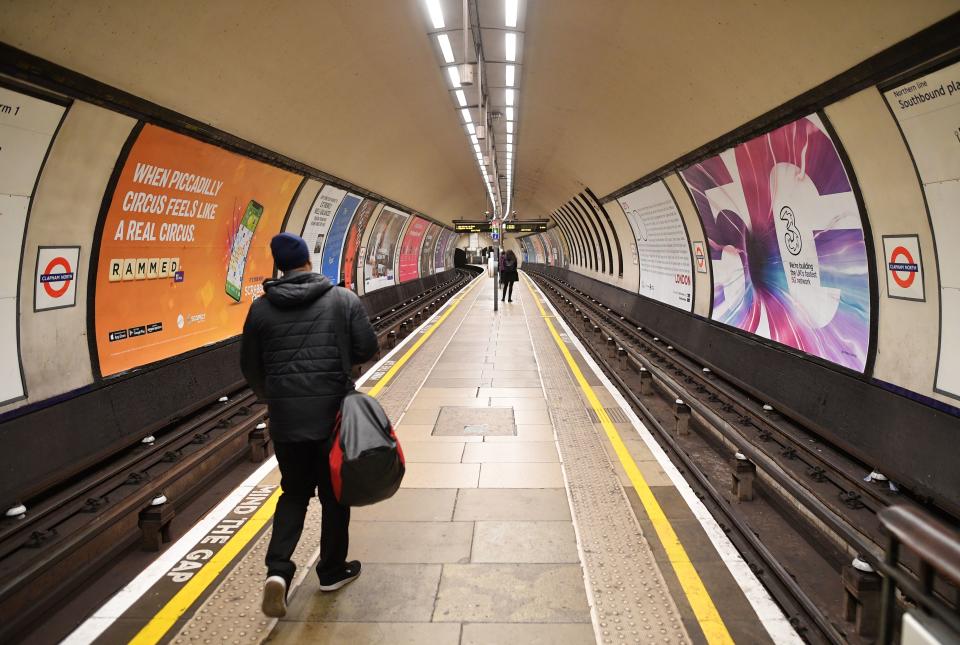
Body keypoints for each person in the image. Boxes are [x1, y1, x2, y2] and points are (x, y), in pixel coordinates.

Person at [241, 232, 379, 618]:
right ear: (307, 260)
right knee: (336, 494)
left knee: (294, 494)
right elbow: (368, 347)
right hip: (333, 419)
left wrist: (275, 396)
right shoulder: (341, 299)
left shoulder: (261, 310)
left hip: (287, 423)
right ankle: (332, 571)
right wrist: (341, 362)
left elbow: (250, 366)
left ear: (279, 266)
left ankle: (278, 572)